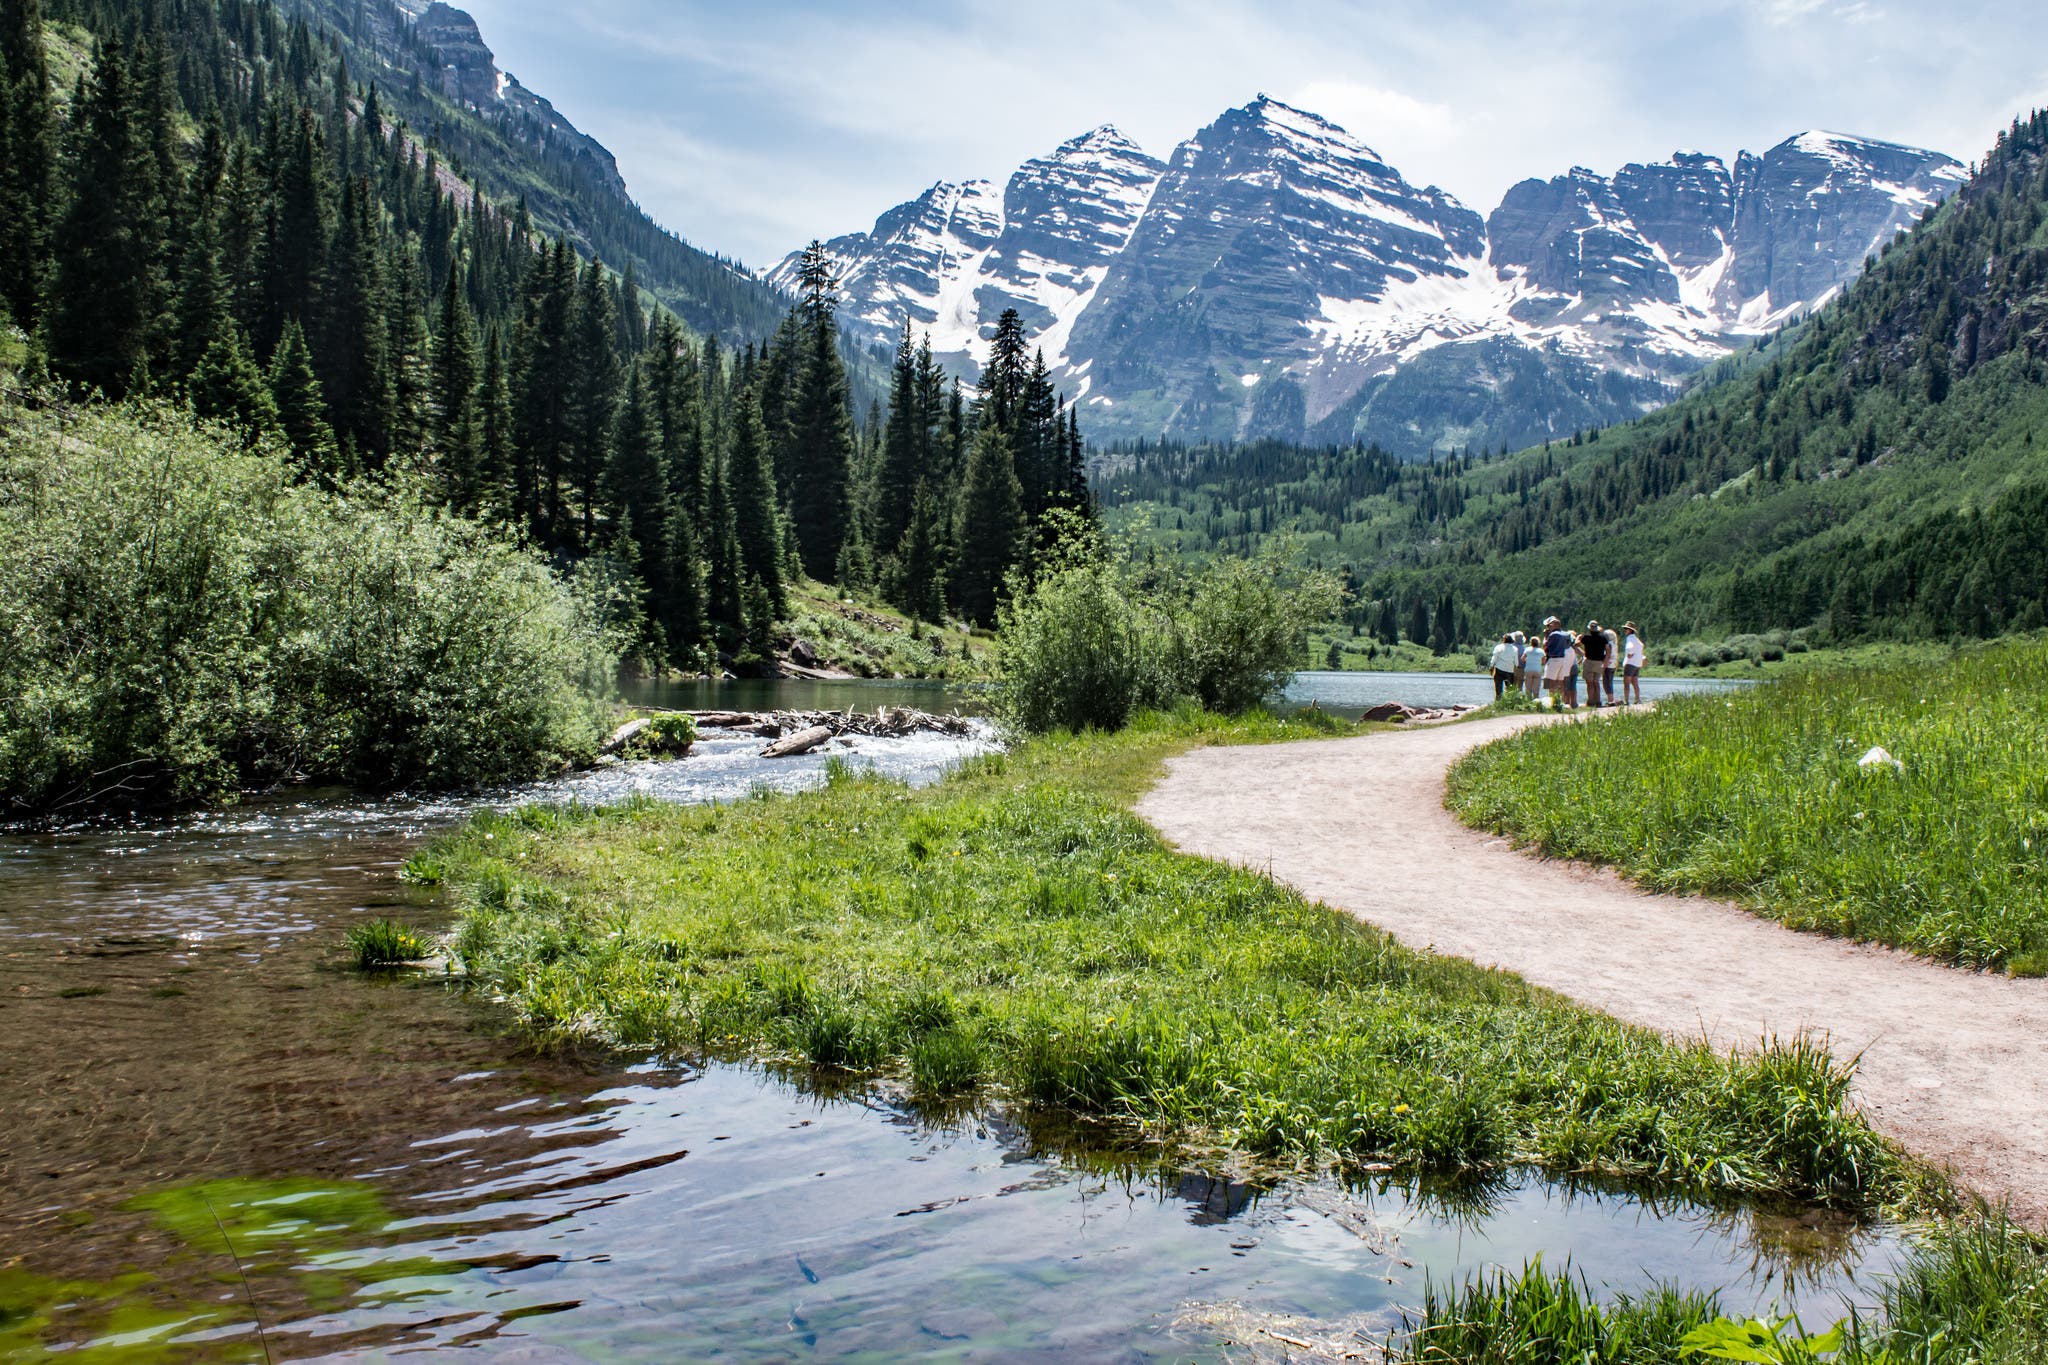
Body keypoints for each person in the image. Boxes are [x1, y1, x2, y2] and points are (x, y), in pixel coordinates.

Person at [1541, 616, 1574, 705]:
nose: (1548, 628)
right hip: (1562, 658)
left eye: (1549, 626)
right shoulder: (1565, 634)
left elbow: (1545, 646)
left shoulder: (1553, 635)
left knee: (1552, 682)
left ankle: (1552, 701)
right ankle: (1561, 701)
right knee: (1560, 682)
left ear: (1554, 625)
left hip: (1553, 659)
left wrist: (1545, 636)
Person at [1578, 620, 1610, 709]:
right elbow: (1608, 650)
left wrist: (1578, 637)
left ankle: (1591, 701)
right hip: (1599, 662)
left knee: (1589, 683)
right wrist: (1606, 661)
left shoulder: (1586, 638)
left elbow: (1577, 644)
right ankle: (1598, 701)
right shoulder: (1603, 638)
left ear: (1589, 629)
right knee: (1596, 682)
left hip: (1589, 661)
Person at [1489, 634, 1520, 699]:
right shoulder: (1515, 649)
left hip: (1499, 669)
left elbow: (1494, 658)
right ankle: (1508, 702)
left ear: (1503, 640)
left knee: (1498, 689)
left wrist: (1491, 667)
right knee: (1509, 689)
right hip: (1509, 670)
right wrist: (1517, 666)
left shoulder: (1498, 647)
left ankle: (1498, 701)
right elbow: (1516, 662)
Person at [1622, 622, 1646, 705]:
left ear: (1629, 630)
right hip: (1637, 663)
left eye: (1626, 629)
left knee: (1626, 683)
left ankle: (1626, 701)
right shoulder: (1637, 640)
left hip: (1630, 663)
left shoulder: (1630, 638)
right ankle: (1637, 699)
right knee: (1635, 682)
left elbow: (1630, 648)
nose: (1625, 630)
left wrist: (1629, 655)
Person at [1602, 625, 1620, 705]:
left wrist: (1604, 666)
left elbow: (1607, 655)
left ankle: (1610, 700)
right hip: (1613, 665)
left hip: (1608, 665)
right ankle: (1611, 699)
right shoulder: (1615, 644)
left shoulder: (1608, 644)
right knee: (1610, 682)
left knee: (1606, 682)